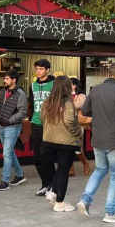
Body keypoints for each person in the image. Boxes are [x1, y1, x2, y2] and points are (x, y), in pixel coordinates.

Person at [77, 62, 115, 224]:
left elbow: (85, 112)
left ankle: (85, 199)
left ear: (108, 74)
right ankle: (111, 212)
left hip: (97, 139)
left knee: (100, 169)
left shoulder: (95, 90)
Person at [42, 76, 82, 212]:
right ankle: (60, 202)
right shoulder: (68, 103)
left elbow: (42, 118)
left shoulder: (47, 102)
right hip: (66, 141)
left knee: (59, 168)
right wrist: (78, 134)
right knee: (64, 169)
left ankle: (53, 191)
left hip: (49, 140)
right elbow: (70, 122)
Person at [0, 70, 27, 191]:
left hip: (13, 127)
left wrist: (10, 120)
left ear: (14, 80)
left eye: (7, 78)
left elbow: (23, 112)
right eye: (4, 78)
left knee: (6, 153)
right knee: (8, 152)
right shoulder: (3, 92)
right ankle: (19, 175)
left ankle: (5, 181)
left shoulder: (21, 94)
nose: (4, 80)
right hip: (1, 127)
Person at [28, 59, 55, 196]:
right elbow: (31, 103)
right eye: (37, 69)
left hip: (49, 124)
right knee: (37, 156)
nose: (38, 71)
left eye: (41, 69)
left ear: (47, 70)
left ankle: (52, 184)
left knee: (46, 155)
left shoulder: (54, 84)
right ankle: (44, 184)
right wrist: (30, 118)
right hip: (36, 123)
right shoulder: (33, 85)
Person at [69, 78, 90, 177]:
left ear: (74, 85)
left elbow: (79, 105)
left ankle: (85, 162)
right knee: (68, 147)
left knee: (77, 148)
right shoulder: (65, 95)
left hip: (77, 123)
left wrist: (65, 104)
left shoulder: (81, 96)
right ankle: (71, 169)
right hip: (66, 123)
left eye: (70, 84)